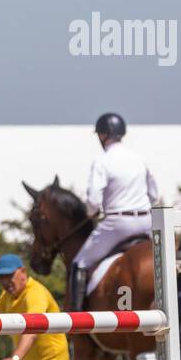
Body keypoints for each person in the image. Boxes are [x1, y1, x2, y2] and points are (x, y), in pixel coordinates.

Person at [68, 112, 161, 311]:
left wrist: (91, 213)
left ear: (102, 135)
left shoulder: (102, 161)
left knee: (79, 262)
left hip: (118, 224)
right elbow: (154, 195)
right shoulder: (139, 159)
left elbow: (93, 201)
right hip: (146, 221)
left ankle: (75, 323)